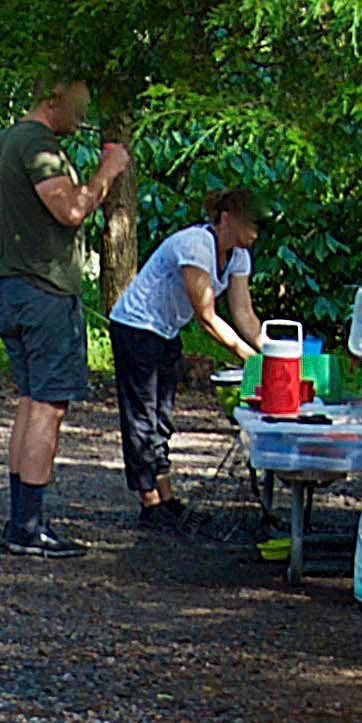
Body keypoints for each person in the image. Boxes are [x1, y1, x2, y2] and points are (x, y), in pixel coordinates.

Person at [0, 80, 127, 556]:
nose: (81, 117)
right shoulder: (36, 145)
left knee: (30, 400)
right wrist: (106, 173)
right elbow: (70, 209)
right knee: (49, 405)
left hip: (12, 286)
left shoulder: (4, 141)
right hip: (42, 292)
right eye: (77, 107)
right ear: (53, 99)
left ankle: (21, 521)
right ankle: (30, 528)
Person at [105, 186, 266, 528]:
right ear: (227, 218)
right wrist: (248, 357)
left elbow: (245, 315)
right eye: (250, 223)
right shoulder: (195, 245)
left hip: (165, 331)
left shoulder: (239, 256)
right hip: (136, 327)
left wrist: (274, 354)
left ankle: (166, 498)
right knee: (141, 417)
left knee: (162, 417)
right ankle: (149, 503)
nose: (255, 232)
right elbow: (206, 315)